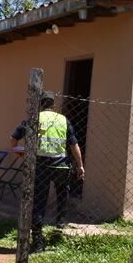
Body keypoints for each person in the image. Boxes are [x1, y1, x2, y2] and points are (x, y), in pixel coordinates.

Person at [9, 91, 84, 253]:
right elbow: (73, 145)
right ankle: (59, 228)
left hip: (40, 167)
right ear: (53, 105)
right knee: (62, 194)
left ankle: (38, 242)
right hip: (61, 166)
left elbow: (13, 140)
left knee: (39, 204)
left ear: (39, 104)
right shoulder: (63, 120)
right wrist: (80, 166)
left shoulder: (33, 119)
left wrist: (19, 151)